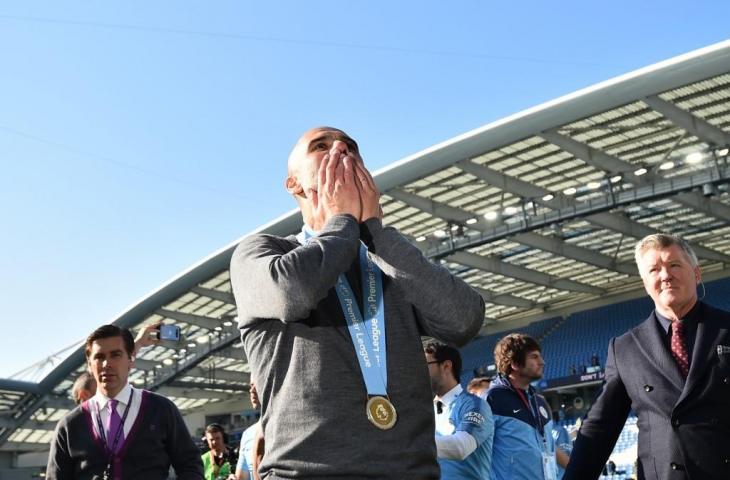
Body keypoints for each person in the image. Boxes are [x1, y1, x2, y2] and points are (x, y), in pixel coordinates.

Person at [230, 127, 485, 479]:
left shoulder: (390, 263)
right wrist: (343, 222)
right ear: (294, 184)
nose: (340, 150)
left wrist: (376, 232)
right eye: (321, 147)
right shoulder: (263, 252)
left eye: (350, 147)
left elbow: (464, 320)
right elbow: (294, 292)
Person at [564, 234, 730, 480]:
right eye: (654, 270)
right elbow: (600, 428)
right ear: (645, 283)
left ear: (697, 273)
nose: (665, 275)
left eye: (674, 265)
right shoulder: (625, 348)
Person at [46, 324, 204, 479]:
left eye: (115, 355)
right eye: (99, 357)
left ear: (131, 360)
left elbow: (190, 464)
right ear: (89, 365)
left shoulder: (160, 409)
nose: (107, 364)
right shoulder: (70, 425)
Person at [487, 333, 569, 480]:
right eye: (534, 357)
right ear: (515, 364)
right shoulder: (492, 399)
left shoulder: (539, 401)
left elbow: (548, 446)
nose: (542, 362)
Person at [425, 341, 493, 480]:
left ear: (446, 366)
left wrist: (412, 443)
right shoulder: (426, 409)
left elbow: (461, 447)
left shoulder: (475, 405)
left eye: (425, 365)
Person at [234, 382, 261, 480]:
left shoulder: (290, 428)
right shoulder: (247, 434)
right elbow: (242, 478)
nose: (251, 390)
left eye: (257, 384)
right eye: (251, 386)